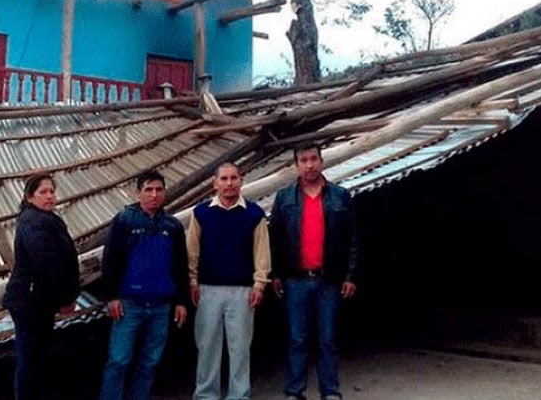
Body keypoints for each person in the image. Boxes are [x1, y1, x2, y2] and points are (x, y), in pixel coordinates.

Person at [269, 142, 358, 400]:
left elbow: (352, 239)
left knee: (327, 340)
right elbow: (274, 239)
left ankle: (330, 391)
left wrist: (350, 276)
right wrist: (275, 274)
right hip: (296, 280)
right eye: (304, 160)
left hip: (328, 279)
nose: (309, 165)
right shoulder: (284, 197)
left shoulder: (340, 196)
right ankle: (295, 392)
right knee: (297, 339)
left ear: (322, 161)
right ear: (296, 165)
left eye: (313, 159)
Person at [100, 170, 190, 400]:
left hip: (160, 306)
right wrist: (111, 296)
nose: (154, 195)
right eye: (148, 190)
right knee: (119, 361)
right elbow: (110, 260)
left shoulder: (172, 226)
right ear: (138, 193)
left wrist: (180, 301)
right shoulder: (124, 221)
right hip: (129, 305)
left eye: (159, 190)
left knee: (150, 362)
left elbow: (180, 266)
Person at [188, 163, 271, 400]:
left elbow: (262, 252)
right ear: (215, 184)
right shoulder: (201, 213)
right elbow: (191, 250)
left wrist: (259, 284)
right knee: (207, 347)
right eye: (224, 179)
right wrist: (192, 280)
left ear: (241, 181)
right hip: (207, 290)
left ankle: (239, 394)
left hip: (242, 291)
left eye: (234, 178)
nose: (229, 183)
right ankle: (206, 394)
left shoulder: (254, 214)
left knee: (240, 348)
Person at [2, 173, 80, 400]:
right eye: (43, 192)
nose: (49, 197)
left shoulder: (46, 218)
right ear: (29, 197)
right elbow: (47, 265)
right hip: (30, 302)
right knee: (31, 360)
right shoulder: (34, 221)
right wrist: (67, 298)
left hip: (38, 301)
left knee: (36, 359)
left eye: (52, 191)